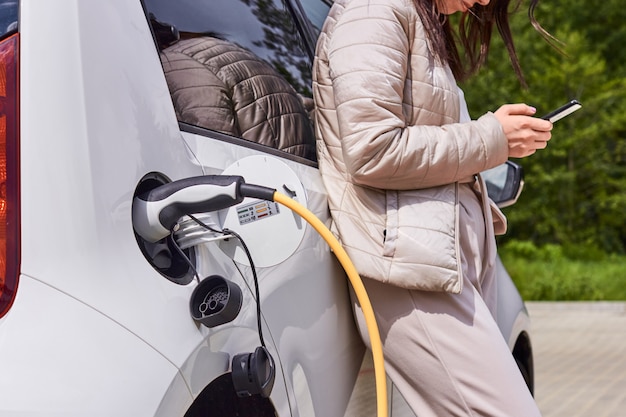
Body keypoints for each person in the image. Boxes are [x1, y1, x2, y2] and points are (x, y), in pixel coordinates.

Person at [312, 0, 552, 415]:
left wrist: (496, 139)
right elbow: (372, 151)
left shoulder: (414, 18)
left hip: (436, 265)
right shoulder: (375, 10)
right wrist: (492, 138)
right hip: (410, 268)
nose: (483, 3)